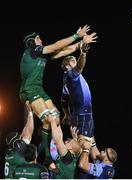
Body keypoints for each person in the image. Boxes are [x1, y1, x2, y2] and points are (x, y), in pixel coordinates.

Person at [19, 25, 90, 171]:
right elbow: (56, 45)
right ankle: (46, 157)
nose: (41, 40)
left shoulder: (40, 53)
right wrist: (76, 36)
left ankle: (49, 148)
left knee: (56, 118)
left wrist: (81, 44)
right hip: (29, 90)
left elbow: (63, 50)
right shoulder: (32, 51)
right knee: (49, 119)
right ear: (32, 41)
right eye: (39, 38)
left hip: (38, 89)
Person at [60, 33, 97, 140]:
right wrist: (83, 53)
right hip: (82, 115)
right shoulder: (71, 74)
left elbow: (63, 99)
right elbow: (80, 67)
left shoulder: (68, 78)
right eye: (73, 61)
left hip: (82, 114)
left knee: (90, 144)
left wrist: (67, 114)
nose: (76, 62)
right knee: (83, 146)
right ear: (67, 66)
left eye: (75, 60)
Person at [4, 101, 34, 178]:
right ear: (17, 142)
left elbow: (24, 132)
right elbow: (29, 131)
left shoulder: (9, 152)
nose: (21, 136)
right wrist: (30, 113)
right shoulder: (19, 151)